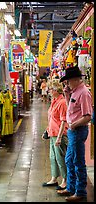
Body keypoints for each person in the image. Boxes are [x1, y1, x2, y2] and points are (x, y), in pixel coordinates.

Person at [57, 66, 93, 202]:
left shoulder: (83, 93)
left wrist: (73, 124)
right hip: (73, 130)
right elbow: (71, 110)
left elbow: (88, 116)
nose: (67, 84)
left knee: (78, 162)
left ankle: (80, 192)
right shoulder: (75, 92)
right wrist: (67, 95)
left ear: (76, 79)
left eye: (68, 81)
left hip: (78, 130)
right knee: (69, 160)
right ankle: (71, 187)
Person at [42, 79, 68, 190]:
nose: (49, 91)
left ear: (57, 90)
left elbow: (63, 121)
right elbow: (52, 119)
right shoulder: (54, 101)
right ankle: (54, 178)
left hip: (59, 134)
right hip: (52, 133)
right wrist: (47, 131)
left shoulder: (62, 102)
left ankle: (65, 180)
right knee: (53, 157)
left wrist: (59, 137)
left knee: (60, 158)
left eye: (51, 89)